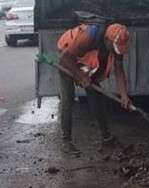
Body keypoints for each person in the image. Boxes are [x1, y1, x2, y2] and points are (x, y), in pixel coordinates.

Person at [57, 18, 133, 148]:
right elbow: (65, 58)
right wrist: (80, 76)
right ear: (107, 40)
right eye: (115, 48)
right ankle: (66, 141)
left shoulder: (116, 43)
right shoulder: (89, 36)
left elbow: (119, 70)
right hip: (67, 55)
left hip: (84, 62)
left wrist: (124, 95)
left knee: (96, 97)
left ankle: (106, 138)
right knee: (68, 99)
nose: (116, 52)